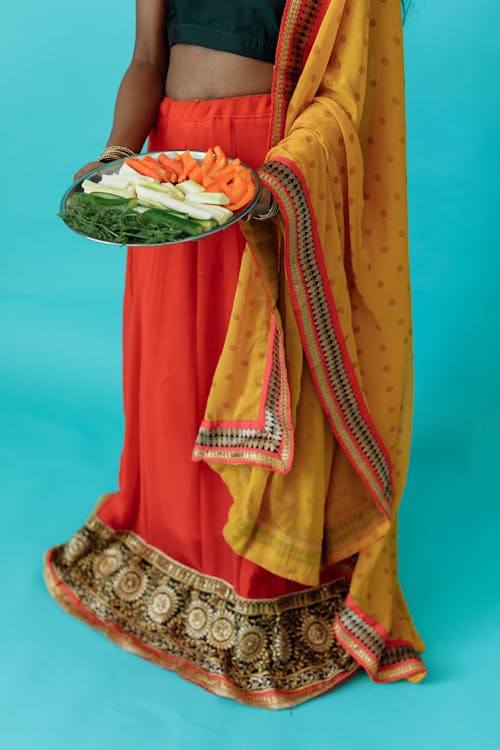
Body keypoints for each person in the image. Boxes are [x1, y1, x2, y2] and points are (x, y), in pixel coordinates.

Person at [44, 0, 427, 709]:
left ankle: (255, 583)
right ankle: (166, 550)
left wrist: (273, 187)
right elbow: (147, 62)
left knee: (257, 382)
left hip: (268, 175)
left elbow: (346, 97)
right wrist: (118, 156)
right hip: (171, 176)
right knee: (168, 380)